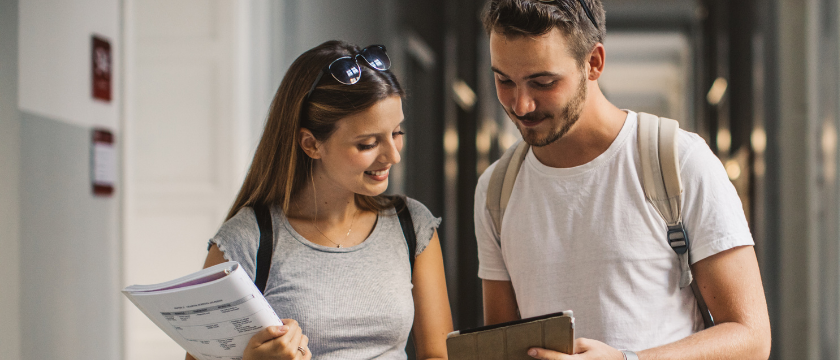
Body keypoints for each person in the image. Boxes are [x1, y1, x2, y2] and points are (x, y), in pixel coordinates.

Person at [474, 1, 772, 359]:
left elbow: (752, 338)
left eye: (543, 82)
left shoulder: (680, 162)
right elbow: (501, 350)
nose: (521, 105)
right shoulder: (496, 189)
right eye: (504, 80)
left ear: (593, 63)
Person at [190, 41, 452, 360]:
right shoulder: (246, 241)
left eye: (397, 133)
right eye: (368, 143)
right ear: (311, 144)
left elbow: (438, 355)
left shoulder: (411, 225)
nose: (393, 156)